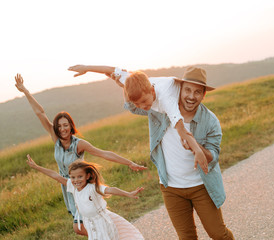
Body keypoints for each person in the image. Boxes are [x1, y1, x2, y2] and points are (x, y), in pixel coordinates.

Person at [72, 66, 234, 239]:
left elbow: (213, 156)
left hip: (201, 186)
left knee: (219, 234)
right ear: (180, 90)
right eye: (187, 90)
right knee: (186, 237)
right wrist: (106, 75)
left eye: (197, 92)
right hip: (171, 188)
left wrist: (198, 150)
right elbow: (134, 103)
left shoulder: (210, 121)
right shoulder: (158, 110)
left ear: (203, 95)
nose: (191, 96)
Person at [14, 74, 147, 236]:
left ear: (71, 126)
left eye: (65, 125)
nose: (62, 129)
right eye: (59, 126)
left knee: (81, 226)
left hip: (80, 185)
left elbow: (103, 153)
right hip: (68, 186)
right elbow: (40, 113)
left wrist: (129, 163)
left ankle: (110, 232)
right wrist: (25, 91)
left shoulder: (79, 144)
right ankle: (106, 232)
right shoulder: (55, 139)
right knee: (81, 226)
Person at [68, 65, 208, 174]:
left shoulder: (166, 99)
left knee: (181, 131)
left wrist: (197, 150)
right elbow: (111, 70)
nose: (143, 107)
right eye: (138, 104)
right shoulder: (134, 82)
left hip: (182, 101)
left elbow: (181, 128)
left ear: (152, 91)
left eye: (145, 102)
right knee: (135, 104)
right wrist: (86, 68)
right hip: (161, 104)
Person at [26, 154, 144, 240]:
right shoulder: (72, 187)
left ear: (87, 176)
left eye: (79, 177)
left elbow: (110, 190)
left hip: (101, 223)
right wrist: (37, 167)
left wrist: (128, 194)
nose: (76, 180)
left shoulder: (93, 188)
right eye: (73, 177)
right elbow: (56, 176)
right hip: (89, 224)